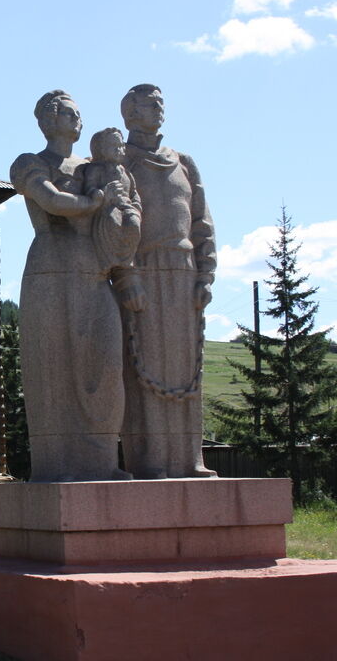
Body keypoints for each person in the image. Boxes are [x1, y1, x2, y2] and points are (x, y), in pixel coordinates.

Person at [11, 90, 132, 482]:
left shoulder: (96, 165)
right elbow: (52, 201)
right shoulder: (30, 163)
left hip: (94, 269)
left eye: (79, 113)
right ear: (47, 121)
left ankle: (102, 464)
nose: (77, 119)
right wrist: (96, 201)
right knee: (55, 366)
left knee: (105, 363)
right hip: (51, 268)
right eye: (68, 113)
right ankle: (57, 465)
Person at [119, 84, 217, 478]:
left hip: (184, 268)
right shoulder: (119, 160)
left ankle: (191, 459)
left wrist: (206, 272)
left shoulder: (184, 162)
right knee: (147, 367)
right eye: (149, 103)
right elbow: (114, 224)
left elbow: (202, 222)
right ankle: (151, 459)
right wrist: (126, 275)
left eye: (160, 102)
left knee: (185, 366)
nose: (159, 108)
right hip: (142, 268)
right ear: (129, 113)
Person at [84, 127, 141, 276]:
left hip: (127, 207)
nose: (119, 149)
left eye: (121, 145)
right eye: (113, 146)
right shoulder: (96, 169)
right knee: (112, 221)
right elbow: (90, 188)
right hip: (108, 208)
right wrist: (102, 194)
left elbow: (134, 193)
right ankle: (108, 260)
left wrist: (136, 206)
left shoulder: (126, 172)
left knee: (134, 224)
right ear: (101, 149)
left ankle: (126, 258)